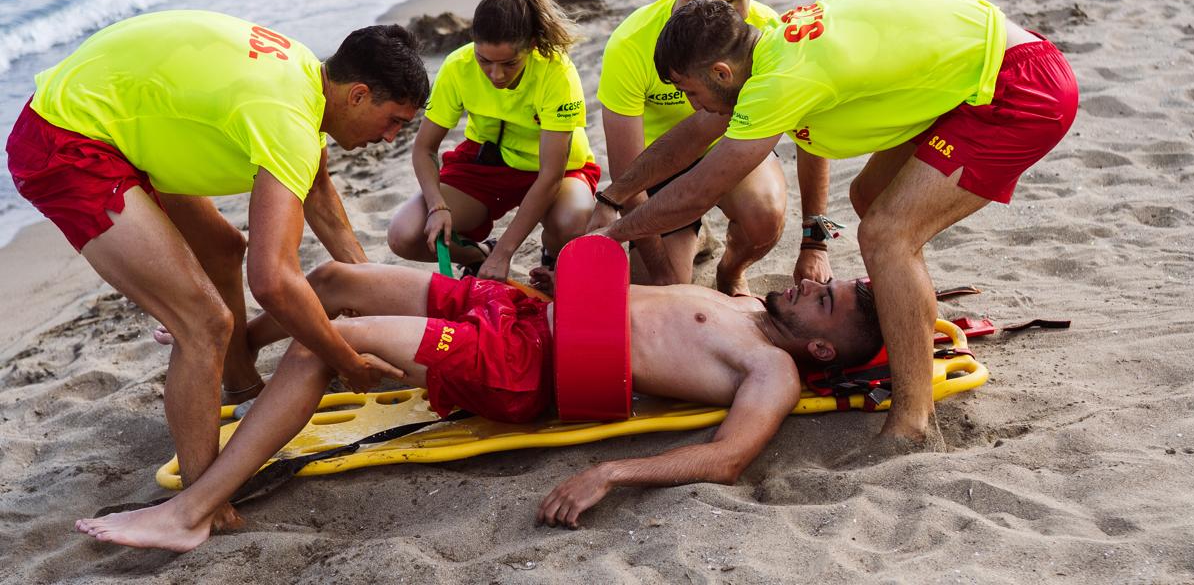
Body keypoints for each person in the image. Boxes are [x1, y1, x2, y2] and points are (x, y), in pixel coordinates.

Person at [74, 257, 882, 550]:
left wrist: (611, 472)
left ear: (819, 348)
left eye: (829, 298)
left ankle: (192, 512)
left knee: (329, 340)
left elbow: (730, 456)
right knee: (326, 284)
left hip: (526, 366)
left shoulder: (771, 369)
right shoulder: (746, 307)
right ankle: (231, 353)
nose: (816, 282)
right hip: (523, 310)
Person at [587, 0, 1078, 447]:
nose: (693, 105)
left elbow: (697, 191)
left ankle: (913, 421)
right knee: (871, 199)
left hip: (1015, 88)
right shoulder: (763, 51)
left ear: (720, 73)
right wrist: (613, 196)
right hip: (981, 72)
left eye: (691, 92)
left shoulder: (779, 80)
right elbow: (694, 133)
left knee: (888, 234)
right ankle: (906, 326)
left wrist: (611, 236)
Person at [6, 11, 429, 523]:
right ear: (358, 95)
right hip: (66, 141)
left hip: (121, 121)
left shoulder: (307, 79)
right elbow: (273, 281)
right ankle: (203, 497)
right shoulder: (287, 120)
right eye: (393, 123)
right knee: (204, 323)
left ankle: (242, 383)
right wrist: (349, 361)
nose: (389, 140)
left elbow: (319, 194)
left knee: (226, 247)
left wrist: (373, 298)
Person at [595, 0, 805, 295]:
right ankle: (692, 235)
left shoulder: (763, 29)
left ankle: (730, 270)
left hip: (731, 150)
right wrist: (660, 272)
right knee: (666, 288)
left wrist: (815, 240)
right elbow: (626, 169)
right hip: (656, 170)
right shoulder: (630, 45)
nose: (743, 12)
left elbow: (810, 135)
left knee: (764, 215)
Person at [387, 0, 599, 283]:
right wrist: (437, 207)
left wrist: (507, 253)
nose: (496, 74)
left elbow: (550, 175)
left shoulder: (557, 71)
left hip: (556, 171)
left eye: (509, 63)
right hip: (488, 164)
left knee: (572, 220)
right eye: (484, 60)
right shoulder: (458, 67)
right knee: (404, 234)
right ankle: (478, 255)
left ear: (531, 45)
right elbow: (424, 148)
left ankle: (553, 256)